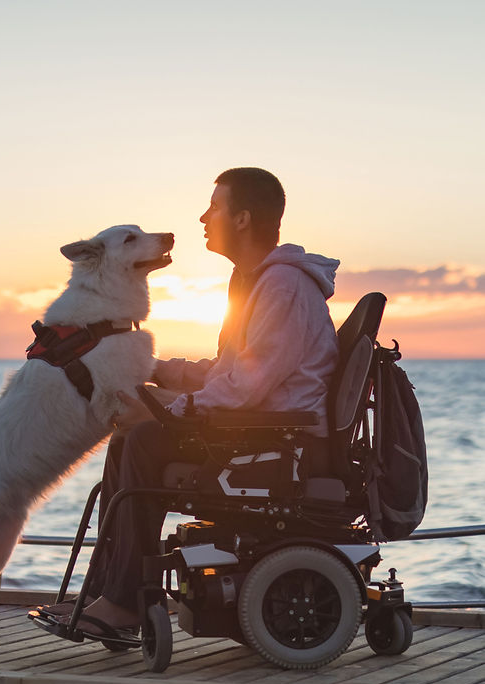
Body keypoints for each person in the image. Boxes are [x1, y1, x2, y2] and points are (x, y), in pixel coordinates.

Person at [78, 167, 340, 634]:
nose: (203, 216)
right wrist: (153, 368)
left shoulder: (282, 286)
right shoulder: (257, 281)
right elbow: (230, 371)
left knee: (142, 440)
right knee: (129, 441)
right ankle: (106, 593)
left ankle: (123, 603)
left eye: (214, 206)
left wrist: (167, 408)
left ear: (241, 219)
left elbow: (245, 388)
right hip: (260, 429)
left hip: (283, 442)